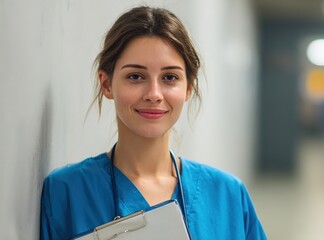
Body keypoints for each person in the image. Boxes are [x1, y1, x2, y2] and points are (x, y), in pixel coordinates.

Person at [39, 6, 266, 240]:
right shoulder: (67, 191)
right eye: (135, 76)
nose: (154, 94)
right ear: (106, 84)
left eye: (170, 77)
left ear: (188, 87)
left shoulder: (228, 196)